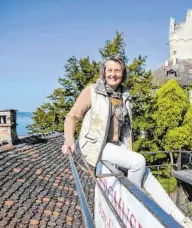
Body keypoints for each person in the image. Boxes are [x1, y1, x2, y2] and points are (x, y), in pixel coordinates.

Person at [62, 56, 146, 187]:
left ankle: (167, 207)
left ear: (123, 74)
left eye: (117, 71)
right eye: (110, 70)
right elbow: (72, 117)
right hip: (96, 145)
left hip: (115, 145)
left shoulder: (124, 95)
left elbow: (125, 128)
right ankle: (133, 201)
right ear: (104, 72)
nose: (113, 74)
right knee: (138, 162)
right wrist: (69, 140)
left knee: (147, 173)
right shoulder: (92, 91)